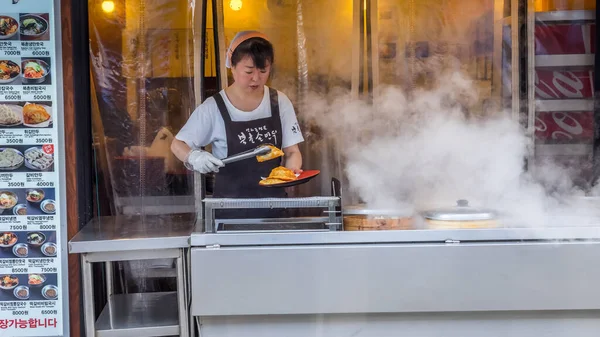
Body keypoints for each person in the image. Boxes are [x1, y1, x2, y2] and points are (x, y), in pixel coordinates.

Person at [171, 31, 304, 218]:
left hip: (274, 210)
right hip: (229, 213)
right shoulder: (214, 107)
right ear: (232, 67)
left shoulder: (279, 101)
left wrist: (289, 173)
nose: (256, 78)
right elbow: (177, 144)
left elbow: (292, 152)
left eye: (263, 70)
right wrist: (194, 157)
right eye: (249, 71)